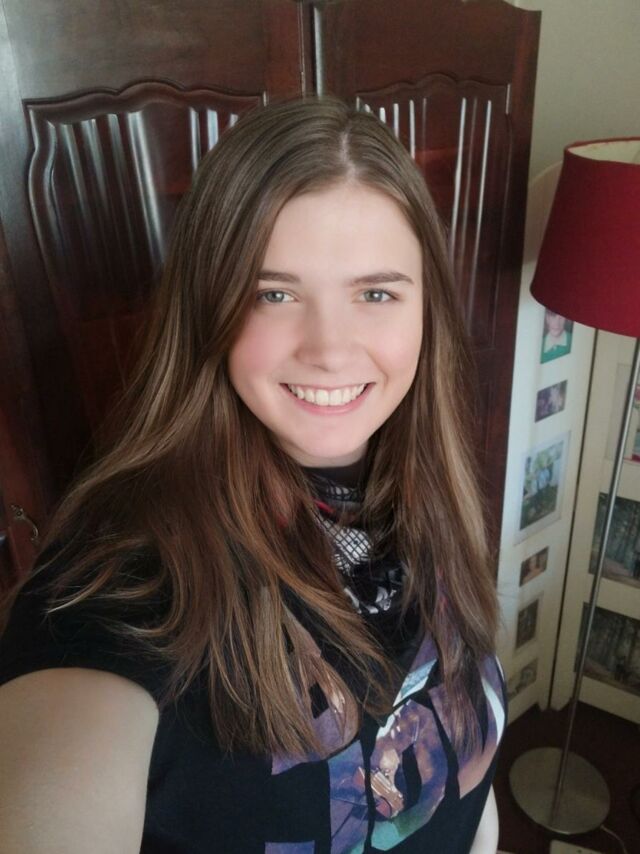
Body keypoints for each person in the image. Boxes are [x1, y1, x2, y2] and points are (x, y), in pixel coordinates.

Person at [0, 95, 506, 853]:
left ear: (425, 308)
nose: (329, 349)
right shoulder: (119, 589)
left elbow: (468, 785)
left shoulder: (432, 503)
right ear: (208, 308)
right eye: (274, 294)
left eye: (375, 293)